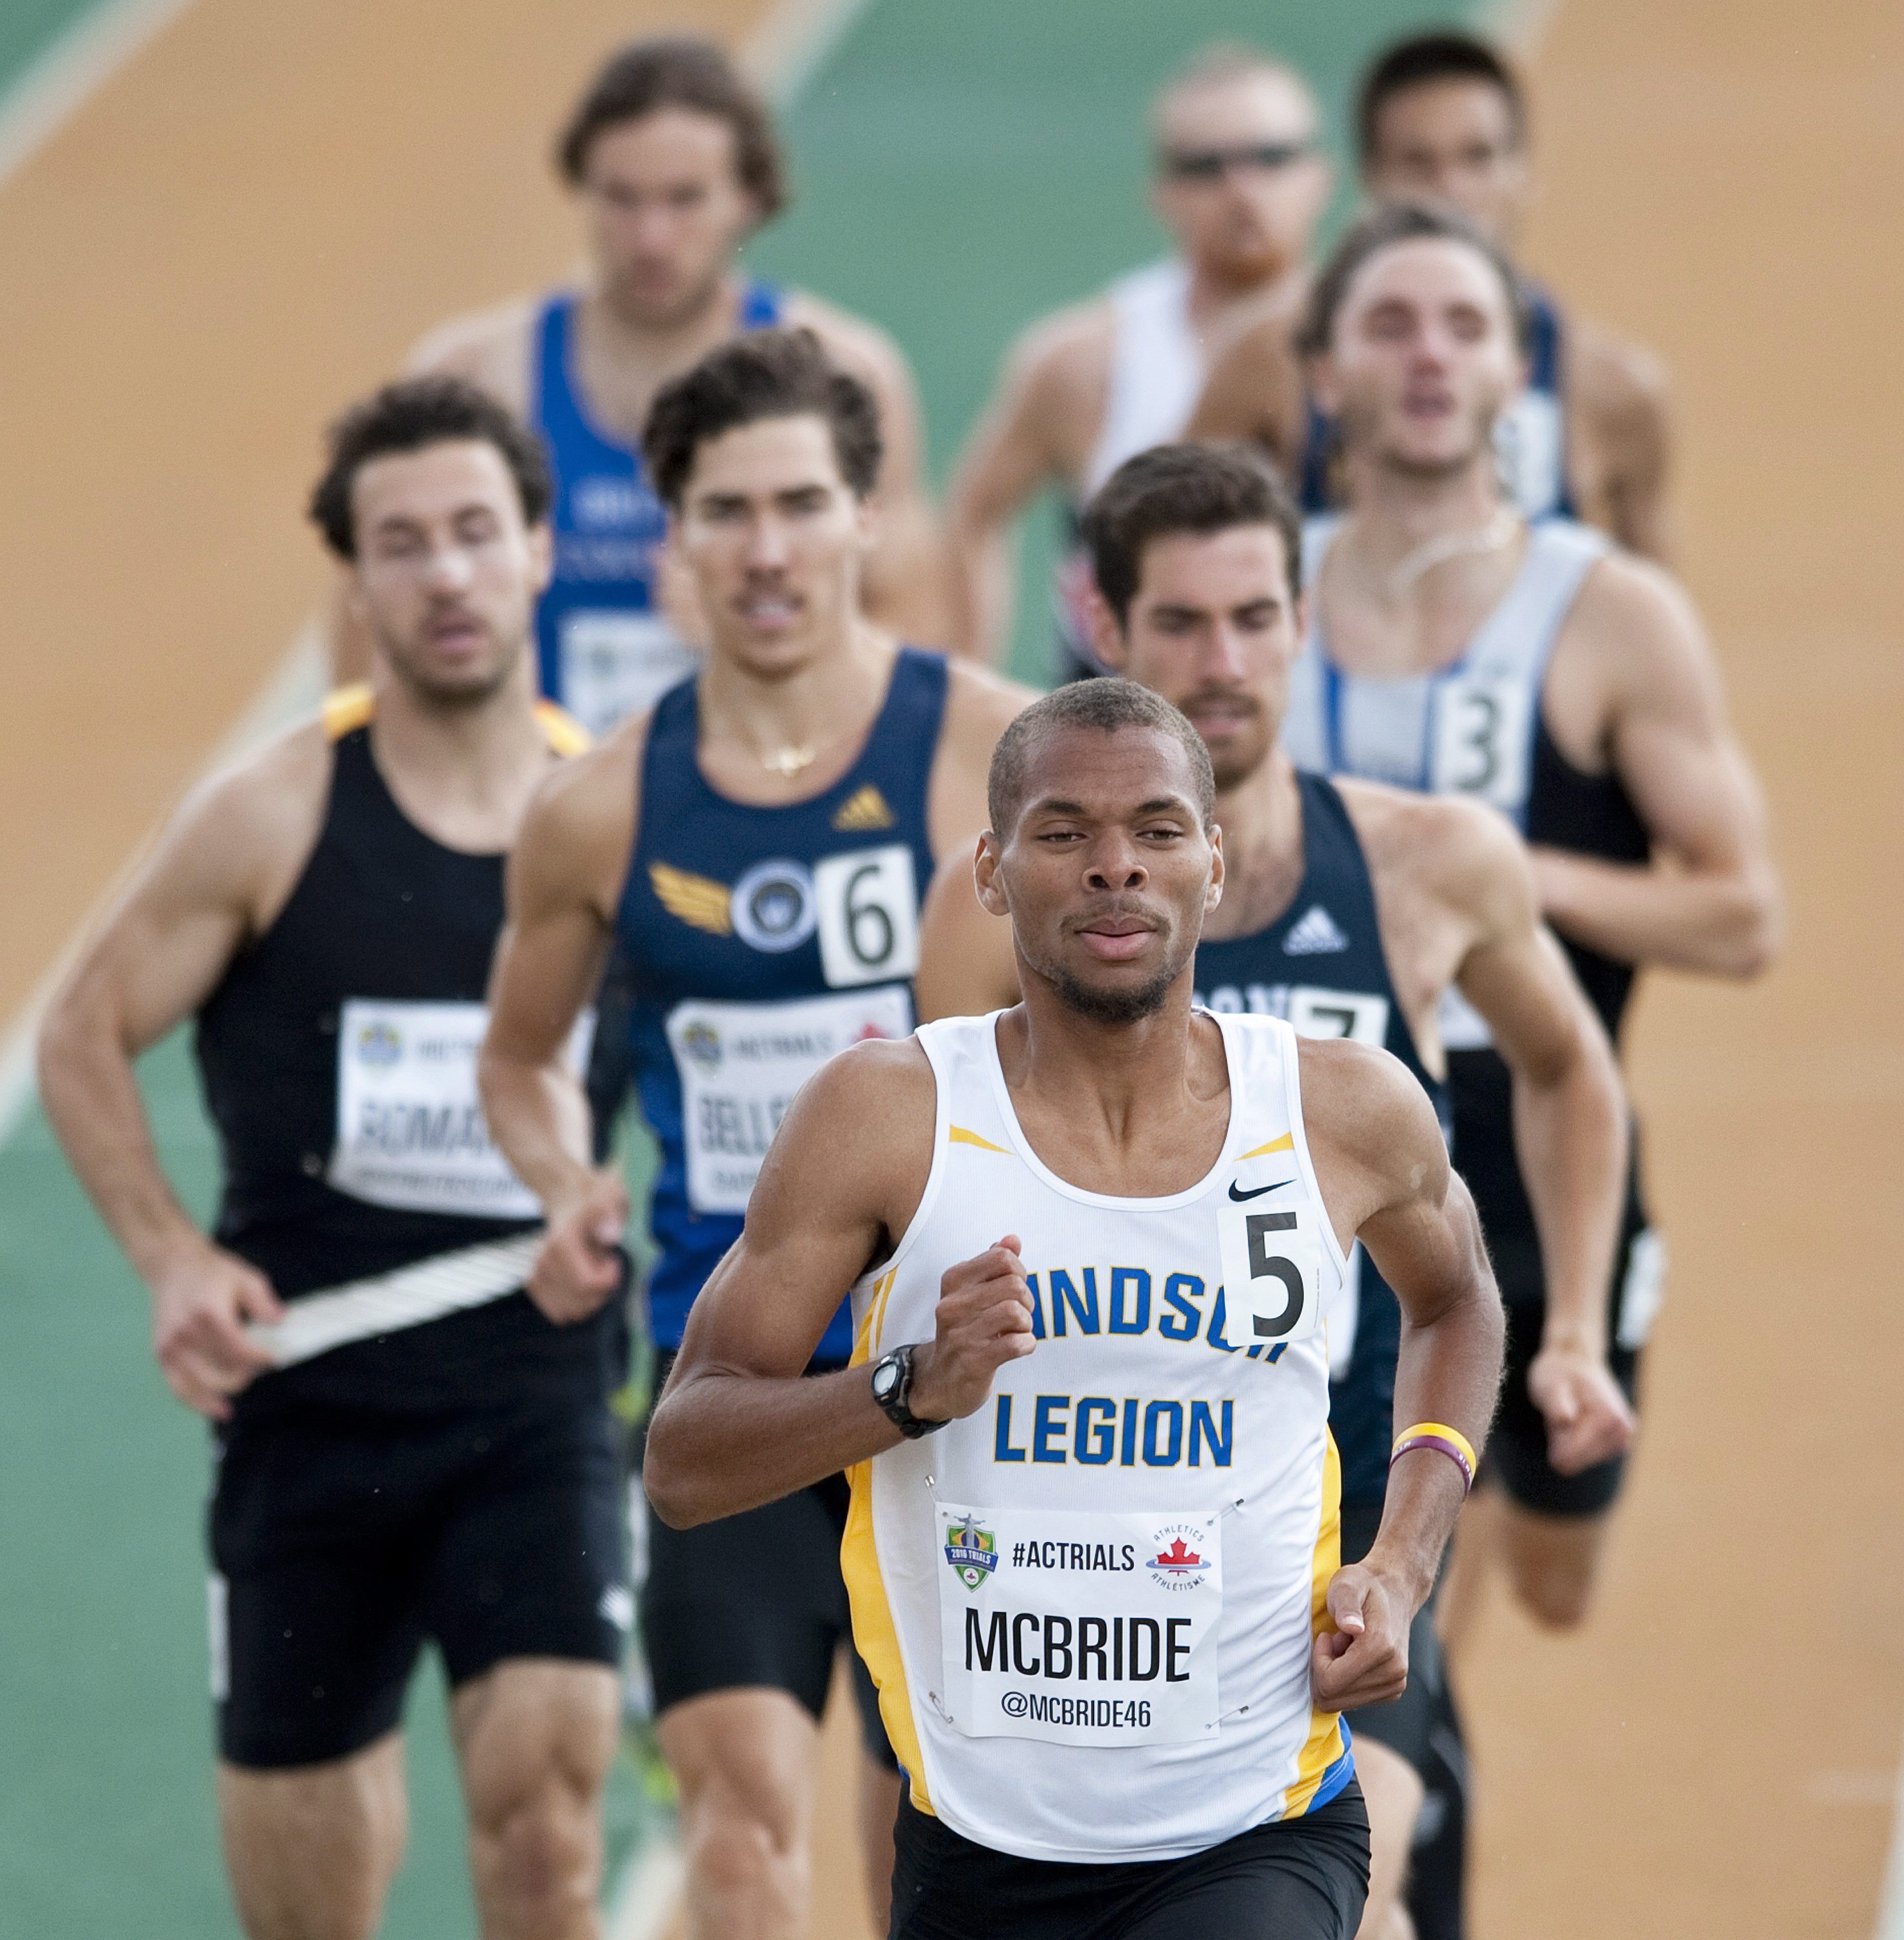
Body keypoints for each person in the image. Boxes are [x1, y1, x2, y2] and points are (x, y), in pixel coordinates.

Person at [640, 678, 1508, 1940]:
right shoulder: (886, 1119)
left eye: (1156, 831)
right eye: (1063, 834)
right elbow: (681, 1460)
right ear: (989, 872)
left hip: (1252, 1825)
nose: (1115, 869)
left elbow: (1456, 1305)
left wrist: (1402, 1560)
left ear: (1212, 862)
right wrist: (901, 1391)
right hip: (976, 1847)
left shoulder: (1337, 1111)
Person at [914, 442, 1631, 1940]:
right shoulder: (1009, 900)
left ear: (1305, 624)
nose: (1222, 661)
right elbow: (939, 1171)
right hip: (1048, 1524)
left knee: (1358, 1884)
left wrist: (1569, 1323)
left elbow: (1568, 1067)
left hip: (1336, 1486)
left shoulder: (1425, 863)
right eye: (1179, 623)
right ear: (1103, 632)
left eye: (1255, 617)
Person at [36, 378, 628, 1940]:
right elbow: (78, 1033)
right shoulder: (270, 816)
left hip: (538, 1385)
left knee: (545, 1825)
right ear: (356, 580)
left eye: (474, 534)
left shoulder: (615, 816)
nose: (443, 574)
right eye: (402, 543)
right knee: (307, 1905)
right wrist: (171, 1253)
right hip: (310, 1395)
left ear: (538, 551)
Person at [476, 327, 1031, 1939]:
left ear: (870, 518)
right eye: (727, 509)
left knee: (919, 1846)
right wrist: (558, 1174)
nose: (769, 546)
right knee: (735, 1824)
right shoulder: (599, 807)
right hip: (721, 1366)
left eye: (802, 501)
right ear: (673, 536)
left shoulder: (988, 757)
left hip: (961, 1372)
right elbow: (518, 1057)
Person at [1284, 201, 1781, 1651]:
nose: (1426, 356)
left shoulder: (1609, 613)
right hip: (1309, 1138)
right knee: (1406, 1574)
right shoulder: (1251, 603)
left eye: (1462, 326)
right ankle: (1407, 1801)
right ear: (1321, 376)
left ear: (1515, 377)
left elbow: (1738, 915)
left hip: (1541, 1132)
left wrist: (1493, 881)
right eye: (1387, 324)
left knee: (1549, 1572)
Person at [369, 34, 940, 735]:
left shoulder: (846, 376)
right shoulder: (474, 378)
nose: (651, 238)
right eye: (621, 199)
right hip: (533, 804)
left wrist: (769, 630)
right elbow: (373, 624)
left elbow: (918, 630)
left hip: (766, 790)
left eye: (684, 200)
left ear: (750, 199)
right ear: (578, 187)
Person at [1188, 29, 1673, 561]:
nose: (1451, 189)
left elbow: (1652, 596)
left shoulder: (1612, 389)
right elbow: (1176, 544)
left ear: (1522, 172)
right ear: (1371, 179)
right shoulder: (1271, 357)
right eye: (1419, 163)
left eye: (1478, 158)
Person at [945, 43, 1330, 672]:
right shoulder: (1084, 361)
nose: (1240, 187)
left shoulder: (1379, 345)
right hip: (1128, 743)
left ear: (1319, 175)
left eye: (1269, 157)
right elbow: (971, 519)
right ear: (1162, 192)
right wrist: (974, 690)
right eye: (1205, 166)